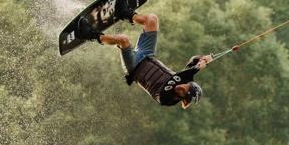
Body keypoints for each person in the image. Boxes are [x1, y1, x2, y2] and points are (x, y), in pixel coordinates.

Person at [77, 9, 212, 109]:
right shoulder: (184, 79)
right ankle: (126, 13)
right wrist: (203, 59)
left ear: (184, 100)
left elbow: (172, 81)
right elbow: (193, 60)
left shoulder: (167, 99)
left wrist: (196, 69)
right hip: (147, 54)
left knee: (123, 40)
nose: (182, 86)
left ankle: (90, 35)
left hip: (134, 67)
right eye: (186, 85)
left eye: (184, 90)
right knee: (152, 20)